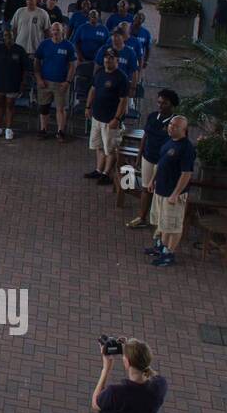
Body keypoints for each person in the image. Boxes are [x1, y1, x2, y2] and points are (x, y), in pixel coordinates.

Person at [143, 114, 196, 267]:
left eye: (176, 126)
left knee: (173, 225)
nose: (171, 127)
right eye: (171, 124)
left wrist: (175, 194)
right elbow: (160, 164)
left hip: (173, 194)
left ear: (185, 130)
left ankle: (169, 253)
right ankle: (161, 246)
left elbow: (186, 174)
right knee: (162, 221)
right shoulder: (168, 141)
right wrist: (153, 180)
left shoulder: (187, 148)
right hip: (160, 189)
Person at [127, 90, 180, 230]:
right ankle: (142, 217)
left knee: (160, 191)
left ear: (172, 105)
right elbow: (145, 136)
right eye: (159, 102)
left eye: (165, 103)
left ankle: (159, 222)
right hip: (148, 157)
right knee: (145, 188)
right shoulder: (152, 117)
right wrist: (139, 155)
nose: (161, 105)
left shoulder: (175, 122)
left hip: (164, 162)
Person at [84, 50, 130, 185]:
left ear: (117, 60)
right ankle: (99, 170)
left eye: (111, 58)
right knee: (98, 146)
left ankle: (106, 173)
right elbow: (93, 90)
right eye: (105, 58)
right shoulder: (99, 73)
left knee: (110, 148)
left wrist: (116, 118)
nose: (107, 60)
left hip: (110, 120)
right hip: (97, 117)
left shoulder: (121, 78)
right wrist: (88, 107)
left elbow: (123, 101)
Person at [32, 21, 76, 140]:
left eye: (58, 30)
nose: (55, 32)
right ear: (50, 31)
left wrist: (68, 81)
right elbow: (36, 61)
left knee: (60, 108)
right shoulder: (44, 44)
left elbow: (73, 65)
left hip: (61, 83)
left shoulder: (68, 46)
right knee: (43, 107)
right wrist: (39, 78)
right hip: (44, 82)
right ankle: (43, 130)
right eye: (53, 30)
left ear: (63, 31)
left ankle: (60, 132)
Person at [0, 27, 28, 140]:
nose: (8, 38)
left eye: (9, 35)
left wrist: (22, 83)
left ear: (13, 36)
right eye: (5, 35)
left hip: (13, 83)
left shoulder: (20, 50)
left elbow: (25, 68)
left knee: (10, 105)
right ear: (2, 37)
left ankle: (8, 129)